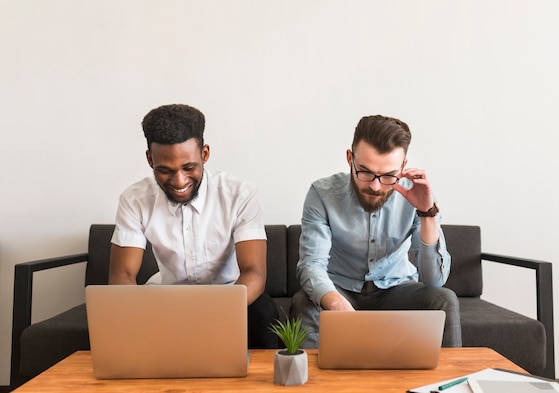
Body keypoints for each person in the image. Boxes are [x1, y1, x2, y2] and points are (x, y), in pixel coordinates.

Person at [108, 103, 279, 348]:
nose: (179, 181)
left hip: (230, 294)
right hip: (166, 297)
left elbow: (254, 273)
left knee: (264, 312)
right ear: (150, 159)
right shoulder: (134, 200)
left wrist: (214, 313)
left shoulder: (239, 194)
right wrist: (139, 314)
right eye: (165, 170)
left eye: (189, 168)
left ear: (205, 154)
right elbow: (122, 275)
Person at [290, 114, 462, 348]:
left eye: (388, 176)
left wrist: (427, 212)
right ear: (350, 159)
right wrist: (335, 303)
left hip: (396, 288)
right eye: (365, 172)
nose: (375, 185)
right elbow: (311, 264)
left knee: (443, 300)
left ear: (403, 166)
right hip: (341, 287)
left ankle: (447, 383)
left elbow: (434, 281)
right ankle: (314, 385)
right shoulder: (322, 194)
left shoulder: (419, 196)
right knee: (304, 302)